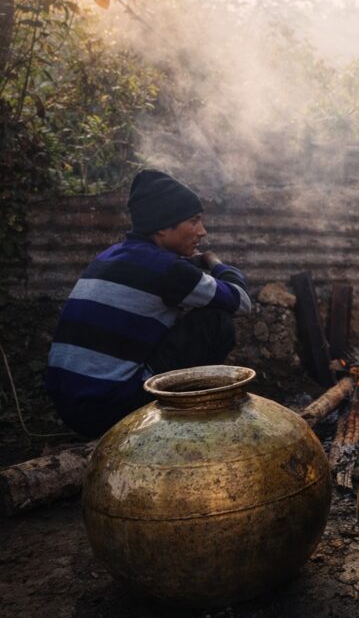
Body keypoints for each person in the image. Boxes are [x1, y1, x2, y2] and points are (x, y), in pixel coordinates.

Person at [45, 170, 252, 438]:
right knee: (216, 322)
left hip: (69, 406)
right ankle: (183, 419)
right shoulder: (169, 270)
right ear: (163, 227)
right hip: (109, 411)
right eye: (194, 221)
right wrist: (215, 262)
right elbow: (241, 301)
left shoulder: (108, 256)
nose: (203, 231)